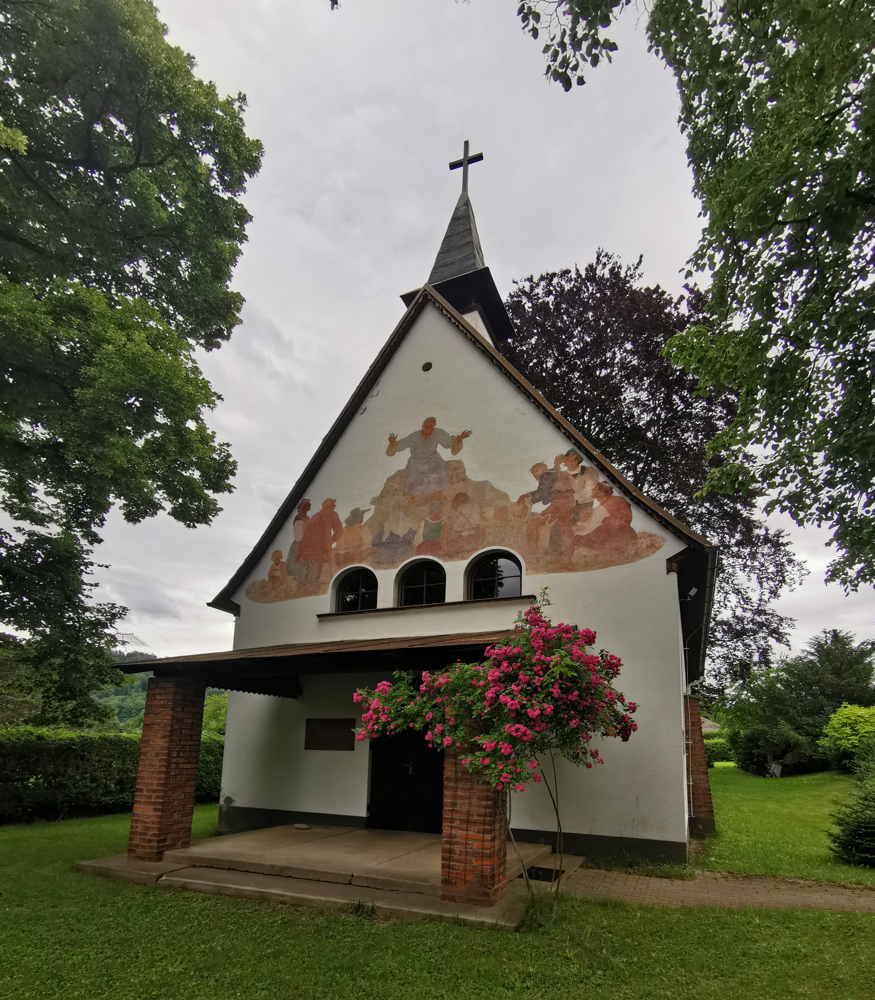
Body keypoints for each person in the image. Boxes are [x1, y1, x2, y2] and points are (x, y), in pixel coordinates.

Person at [387, 417, 471, 498]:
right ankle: (412, 497)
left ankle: (439, 493)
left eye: (430, 425)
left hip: (432, 457)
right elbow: (402, 444)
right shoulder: (414, 435)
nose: (428, 427)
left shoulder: (438, 432)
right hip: (416, 459)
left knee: (440, 463)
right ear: (423, 425)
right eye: (426, 425)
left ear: (434, 426)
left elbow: (447, 442)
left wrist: (460, 437)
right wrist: (393, 442)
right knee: (411, 467)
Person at [295, 498, 343, 583]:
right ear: (329, 507)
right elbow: (338, 530)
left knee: (313, 566)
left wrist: (332, 539)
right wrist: (331, 540)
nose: (334, 507)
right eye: (333, 506)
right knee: (314, 566)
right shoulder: (324, 516)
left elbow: (338, 530)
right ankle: (310, 585)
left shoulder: (320, 516)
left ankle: (308, 584)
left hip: (312, 547)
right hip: (315, 547)